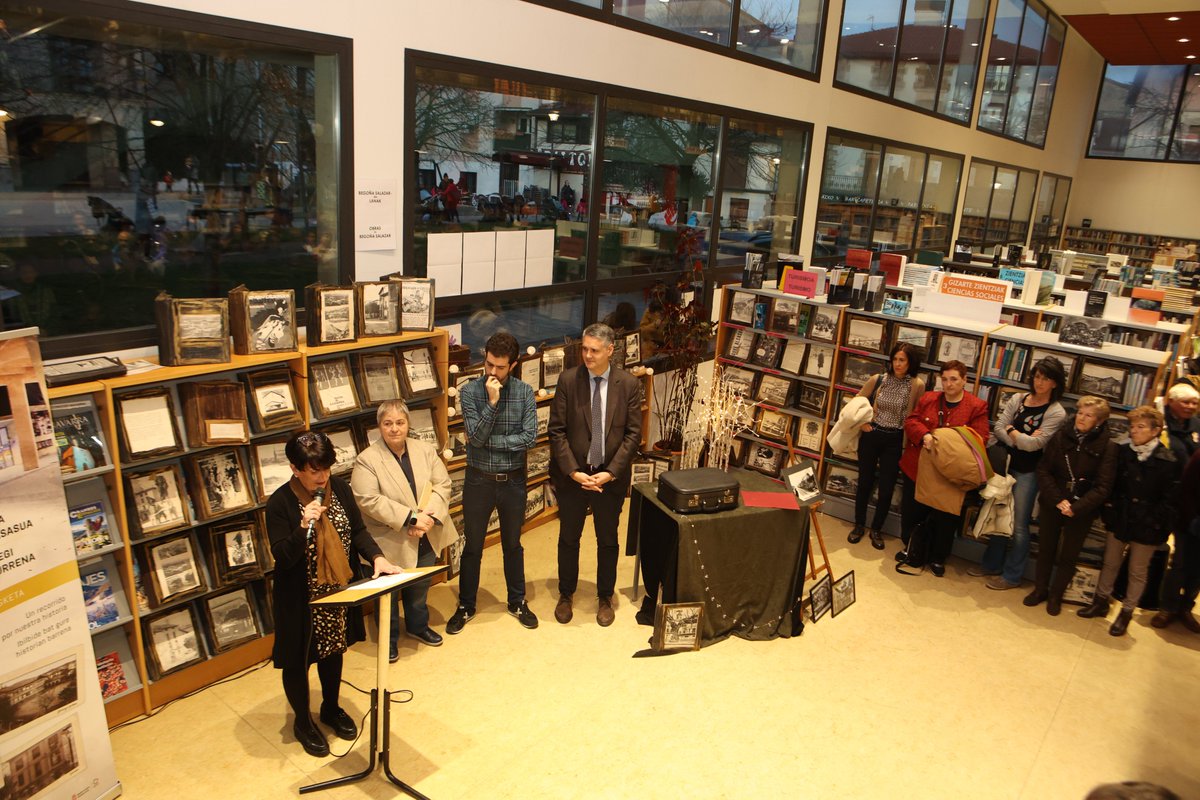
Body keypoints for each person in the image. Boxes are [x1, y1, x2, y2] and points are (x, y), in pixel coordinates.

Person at [266, 431, 402, 757]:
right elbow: (282, 556)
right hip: (300, 598)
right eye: (314, 470)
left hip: (336, 590)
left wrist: (378, 558)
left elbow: (357, 531)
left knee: (333, 651)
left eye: (326, 468)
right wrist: (302, 528)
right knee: (298, 661)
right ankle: (302, 722)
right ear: (295, 468)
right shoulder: (280, 503)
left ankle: (330, 708)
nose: (322, 476)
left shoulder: (338, 489)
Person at [550, 322, 643, 626]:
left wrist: (611, 473)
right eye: (584, 349)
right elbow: (557, 432)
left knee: (607, 539)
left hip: (608, 479)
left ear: (610, 351)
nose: (587, 355)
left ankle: (605, 596)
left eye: (593, 350)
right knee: (568, 538)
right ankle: (566, 594)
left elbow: (632, 435)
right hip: (574, 478)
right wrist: (574, 473)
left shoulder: (628, 385)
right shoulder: (568, 381)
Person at [351, 401, 457, 660]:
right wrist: (411, 519)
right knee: (387, 594)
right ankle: (389, 640)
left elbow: (443, 484)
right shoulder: (366, 460)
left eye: (400, 422)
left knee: (420, 587)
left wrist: (427, 518)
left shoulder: (425, 450)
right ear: (379, 427)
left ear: (408, 424)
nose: (394, 429)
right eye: (388, 423)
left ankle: (419, 626)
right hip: (389, 539)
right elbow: (368, 499)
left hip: (426, 533)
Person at [449, 332, 539, 634]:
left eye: (500, 367)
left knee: (513, 545)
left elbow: (529, 438)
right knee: (472, 545)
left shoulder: (525, 392)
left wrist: (490, 442)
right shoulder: (470, 392)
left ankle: (517, 601)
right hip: (478, 481)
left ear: (512, 365)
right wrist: (492, 402)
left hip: (513, 481)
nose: (492, 372)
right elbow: (474, 438)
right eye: (489, 364)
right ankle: (465, 605)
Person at [1079, 405, 1183, 636]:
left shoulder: (1168, 461)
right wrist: (1110, 510)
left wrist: (1156, 522)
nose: (1134, 431)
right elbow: (1113, 485)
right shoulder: (1123, 452)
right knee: (1110, 561)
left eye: (1141, 427)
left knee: (1137, 569)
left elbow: (1171, 500)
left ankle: (1126, 612)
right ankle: (1101, 600)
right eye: (1132, 426)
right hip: (1122, 517)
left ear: (1156, 431)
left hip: (1147, 524)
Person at [971, 357, 1068, 590]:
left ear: (1055, 383)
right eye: (1036, 376)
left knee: (1019, 524)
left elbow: (1035, 446)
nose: (1039, 382)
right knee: (998, 513)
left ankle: (1012, 576)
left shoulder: (1056, 412)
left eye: (1045, 379)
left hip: (1029, 472)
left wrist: (1012, 431)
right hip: (1004, 466)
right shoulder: (1018, 399)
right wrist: (1018, 437)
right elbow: (999, 427)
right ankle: (992, 564)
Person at [1025, 396, 1118, 615]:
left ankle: (1056, 595)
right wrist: (1058, 499)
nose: (1082, 418)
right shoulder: (1060, 436)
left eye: (1089, 415)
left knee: (1069, 554)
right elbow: (1044, 470)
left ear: (1100, 421)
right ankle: (1040, 590)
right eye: (1080, 413)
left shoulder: (1109, 447)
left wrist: (1075, 508)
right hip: (1053, 500)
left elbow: (1104, 487)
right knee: (1045, 548)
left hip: (1081, 508)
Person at [896, 360, 989, 576]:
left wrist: (945, 442)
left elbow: (981, 438)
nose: (949, 384)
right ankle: (911, 548)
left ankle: (938, 557)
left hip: (951, 474)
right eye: (945, 379)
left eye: (954, 379)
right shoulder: (929, 398)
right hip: (918, 468)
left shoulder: (976, 406)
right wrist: (924, 435)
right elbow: (911, 421)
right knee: (912, 512)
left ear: (965, 380)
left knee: (945, 518)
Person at [848, 341, 925, 550]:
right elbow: (856, 401)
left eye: (903, 360)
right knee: (864, 482)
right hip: (872, 435)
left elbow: (916, 415)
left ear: (911, 363)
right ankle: (858, 525)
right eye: (895, 359)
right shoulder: (879, 379)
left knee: (886, 487)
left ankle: (876, 529)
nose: (898, 364)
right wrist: (863, 423)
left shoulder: (916, 384)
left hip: (894, 439)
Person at [1154, 445, 1200, 633]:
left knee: (1198, 570)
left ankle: (1185, 608)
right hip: (1188, 521)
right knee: (1180, 565)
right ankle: (1168, 608)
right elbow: (1186, 489)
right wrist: (1193, 520)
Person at [1162, 382, 1200, 458]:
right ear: (1171, 401)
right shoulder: (1159, 421)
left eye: (1194, 403)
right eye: (1186, 402)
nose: (1191, 407)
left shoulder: (1197, 424)